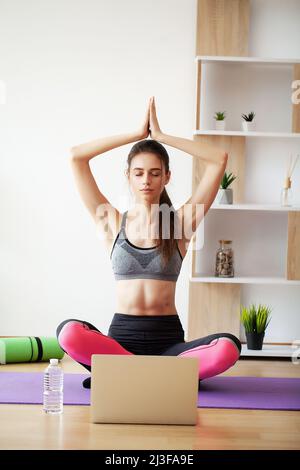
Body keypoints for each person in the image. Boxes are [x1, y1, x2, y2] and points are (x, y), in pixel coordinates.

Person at [56, 96, 241, 389]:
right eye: (139, 173)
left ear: (167, 177)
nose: (146, 180)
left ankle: (125, 374)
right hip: (120, 341)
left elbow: (218, 159)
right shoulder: (111, 222)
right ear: (128, 176)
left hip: (168, 343)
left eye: (155, 173)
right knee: (68, 333)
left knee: (228, 346)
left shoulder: (181, 224)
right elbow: (76, 157)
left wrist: (163, 137)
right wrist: (136, 135)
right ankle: (148, 373)